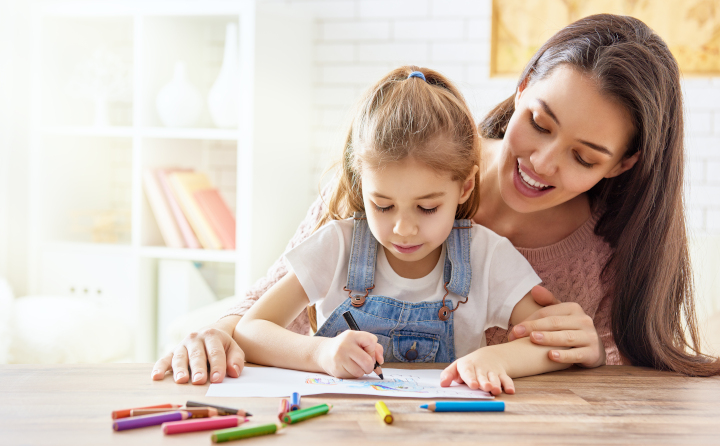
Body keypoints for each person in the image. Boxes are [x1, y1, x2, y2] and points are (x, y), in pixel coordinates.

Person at [152, 14, 720, 386]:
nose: (544, 162)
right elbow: (265, 307)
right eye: (539, 123)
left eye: (584, 157)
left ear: (623, 164)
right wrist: (218, 332)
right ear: (521, 90)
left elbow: (621, 382)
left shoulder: (607, 249)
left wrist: (593, 353)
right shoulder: (402, 163)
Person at [234, 66, 572, 394]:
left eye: (427, 208)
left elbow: (553, 344)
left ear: (466, 186)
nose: (403, 229)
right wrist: (319, 353)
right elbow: (250, 330)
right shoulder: (338, 245)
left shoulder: (486, 255)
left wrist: (497, 358)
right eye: (382, 205)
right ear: (360, 183)